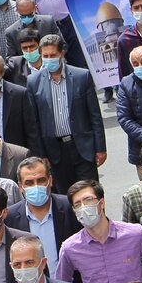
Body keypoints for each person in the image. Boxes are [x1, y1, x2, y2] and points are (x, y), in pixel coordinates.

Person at [27, 34, 105, 189]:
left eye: (53, 55)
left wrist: (100, 148)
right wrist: (41, 154)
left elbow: (94, 115)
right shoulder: (33, 82)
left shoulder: (81, 76)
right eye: (45, 56)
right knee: (64, 198)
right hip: (55, 152)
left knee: (90, 192)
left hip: (82, 147)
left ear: (61, 53)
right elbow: (34, 123)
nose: (49, 59)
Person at [4, 157, 80, 269]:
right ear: (20, 187)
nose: (36, 186)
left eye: (41, 180)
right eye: (29, 183)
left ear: (50, 181)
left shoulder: (69, 207)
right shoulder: (11, 217)